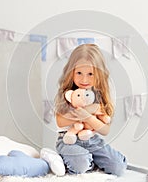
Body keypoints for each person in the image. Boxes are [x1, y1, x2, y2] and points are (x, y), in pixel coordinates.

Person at [54, 43, 127, 176]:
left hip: (92, 140)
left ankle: (91, 160)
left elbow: (105, 130)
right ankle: (83, 161)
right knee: (80, 164)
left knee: (118, 167)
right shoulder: (68, 94)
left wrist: (88, 117)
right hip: (68, 140)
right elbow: (60, 121)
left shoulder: (98, 96)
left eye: (90, 74)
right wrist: (80, 113)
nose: (84, 79)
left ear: (98, 74)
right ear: (71, 72)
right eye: (79, 73)